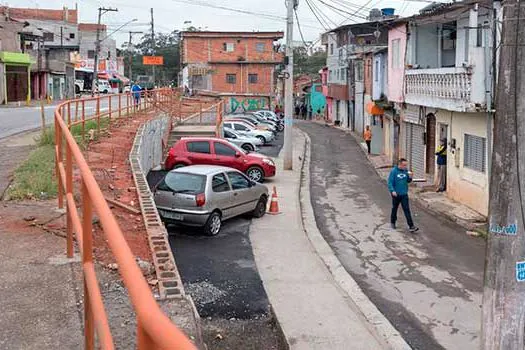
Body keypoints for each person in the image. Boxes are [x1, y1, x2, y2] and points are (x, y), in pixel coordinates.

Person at [388, 158, 419, 233]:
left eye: (406, 165)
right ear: (399, 165)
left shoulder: (405, 171)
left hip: (404, 194)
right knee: (394, 208)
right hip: (396, 194)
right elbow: (390, 182)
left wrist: (410, 177)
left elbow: (408, 181)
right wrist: (392, 191)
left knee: (407, 210)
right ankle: (393, 222)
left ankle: (411, 226)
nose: (405, 167)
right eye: (404, 165)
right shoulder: (394, 171)